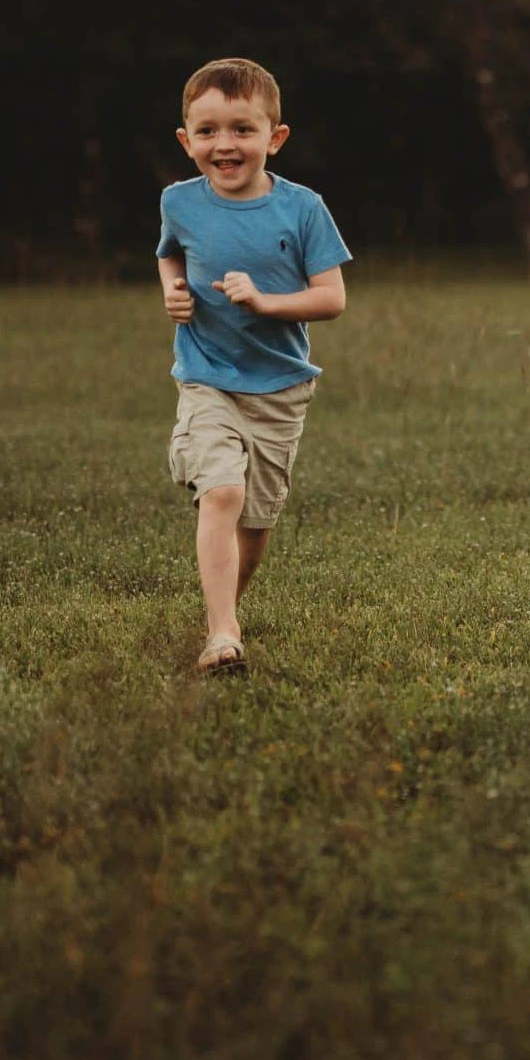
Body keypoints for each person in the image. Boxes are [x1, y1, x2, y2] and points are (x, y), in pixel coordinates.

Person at [156, 58, 350, 672]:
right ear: (186, 140)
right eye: (208, 131)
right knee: (223, 492)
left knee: (256, 524)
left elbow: (332, 298)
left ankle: (225, 616)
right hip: (207, 377)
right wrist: (173, 290)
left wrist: (266, 302)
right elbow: (169, 255)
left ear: (275, 137)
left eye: (242, 129)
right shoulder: (179, 202)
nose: (225, 144)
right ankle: (222, 634)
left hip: (279, 390)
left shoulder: (303, 208)